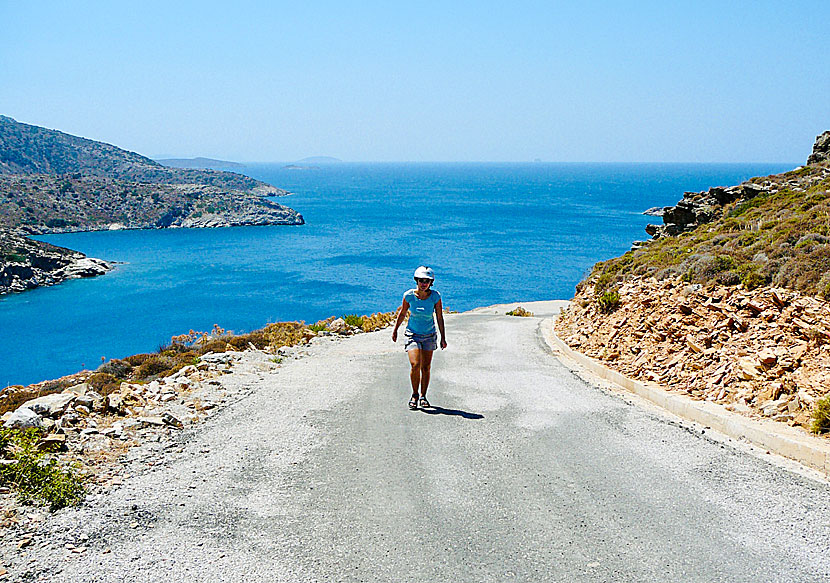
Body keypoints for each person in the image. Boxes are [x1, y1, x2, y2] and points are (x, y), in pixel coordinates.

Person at [392, 266, 447, 410]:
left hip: (429, 335)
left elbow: (439, 317)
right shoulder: (409, 295)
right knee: (415, 364)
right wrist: (395, 330)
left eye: (427, 281)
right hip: (413, 335)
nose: (424, 283)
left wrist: (443, 337)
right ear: (416, 280)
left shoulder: (436, 296)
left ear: (431, 282)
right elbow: (402, 313)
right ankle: (414, 394)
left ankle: (423, 396)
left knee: (426, 367)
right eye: (421, 280)